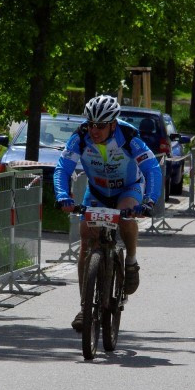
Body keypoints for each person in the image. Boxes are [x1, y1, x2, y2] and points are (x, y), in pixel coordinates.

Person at [53, 94, 163, 332]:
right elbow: (63, 168)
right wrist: (63, 196)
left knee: (125, 215)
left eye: (101, 125)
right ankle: (85, 307)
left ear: (113, 123)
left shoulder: (130, 137)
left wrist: (149, 201)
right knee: (86, 239)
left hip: (128, 188)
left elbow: (152, 168)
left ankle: (131, 261)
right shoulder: (80, 137)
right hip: (97, 192)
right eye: (92, 124)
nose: (95, 130)